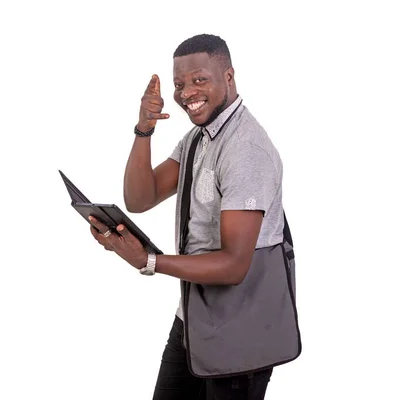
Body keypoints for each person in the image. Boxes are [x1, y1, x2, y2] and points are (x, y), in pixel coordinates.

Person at [87, 33, 300, 400]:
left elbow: (234, 266)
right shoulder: (198, 139)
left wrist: (149, 260)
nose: (187, 92)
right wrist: (145, 129)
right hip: (194, 318)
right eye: (179, 84)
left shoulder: (245, 150)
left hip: (240, 333)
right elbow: (140, 198)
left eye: (199, 79)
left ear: (229, 77)